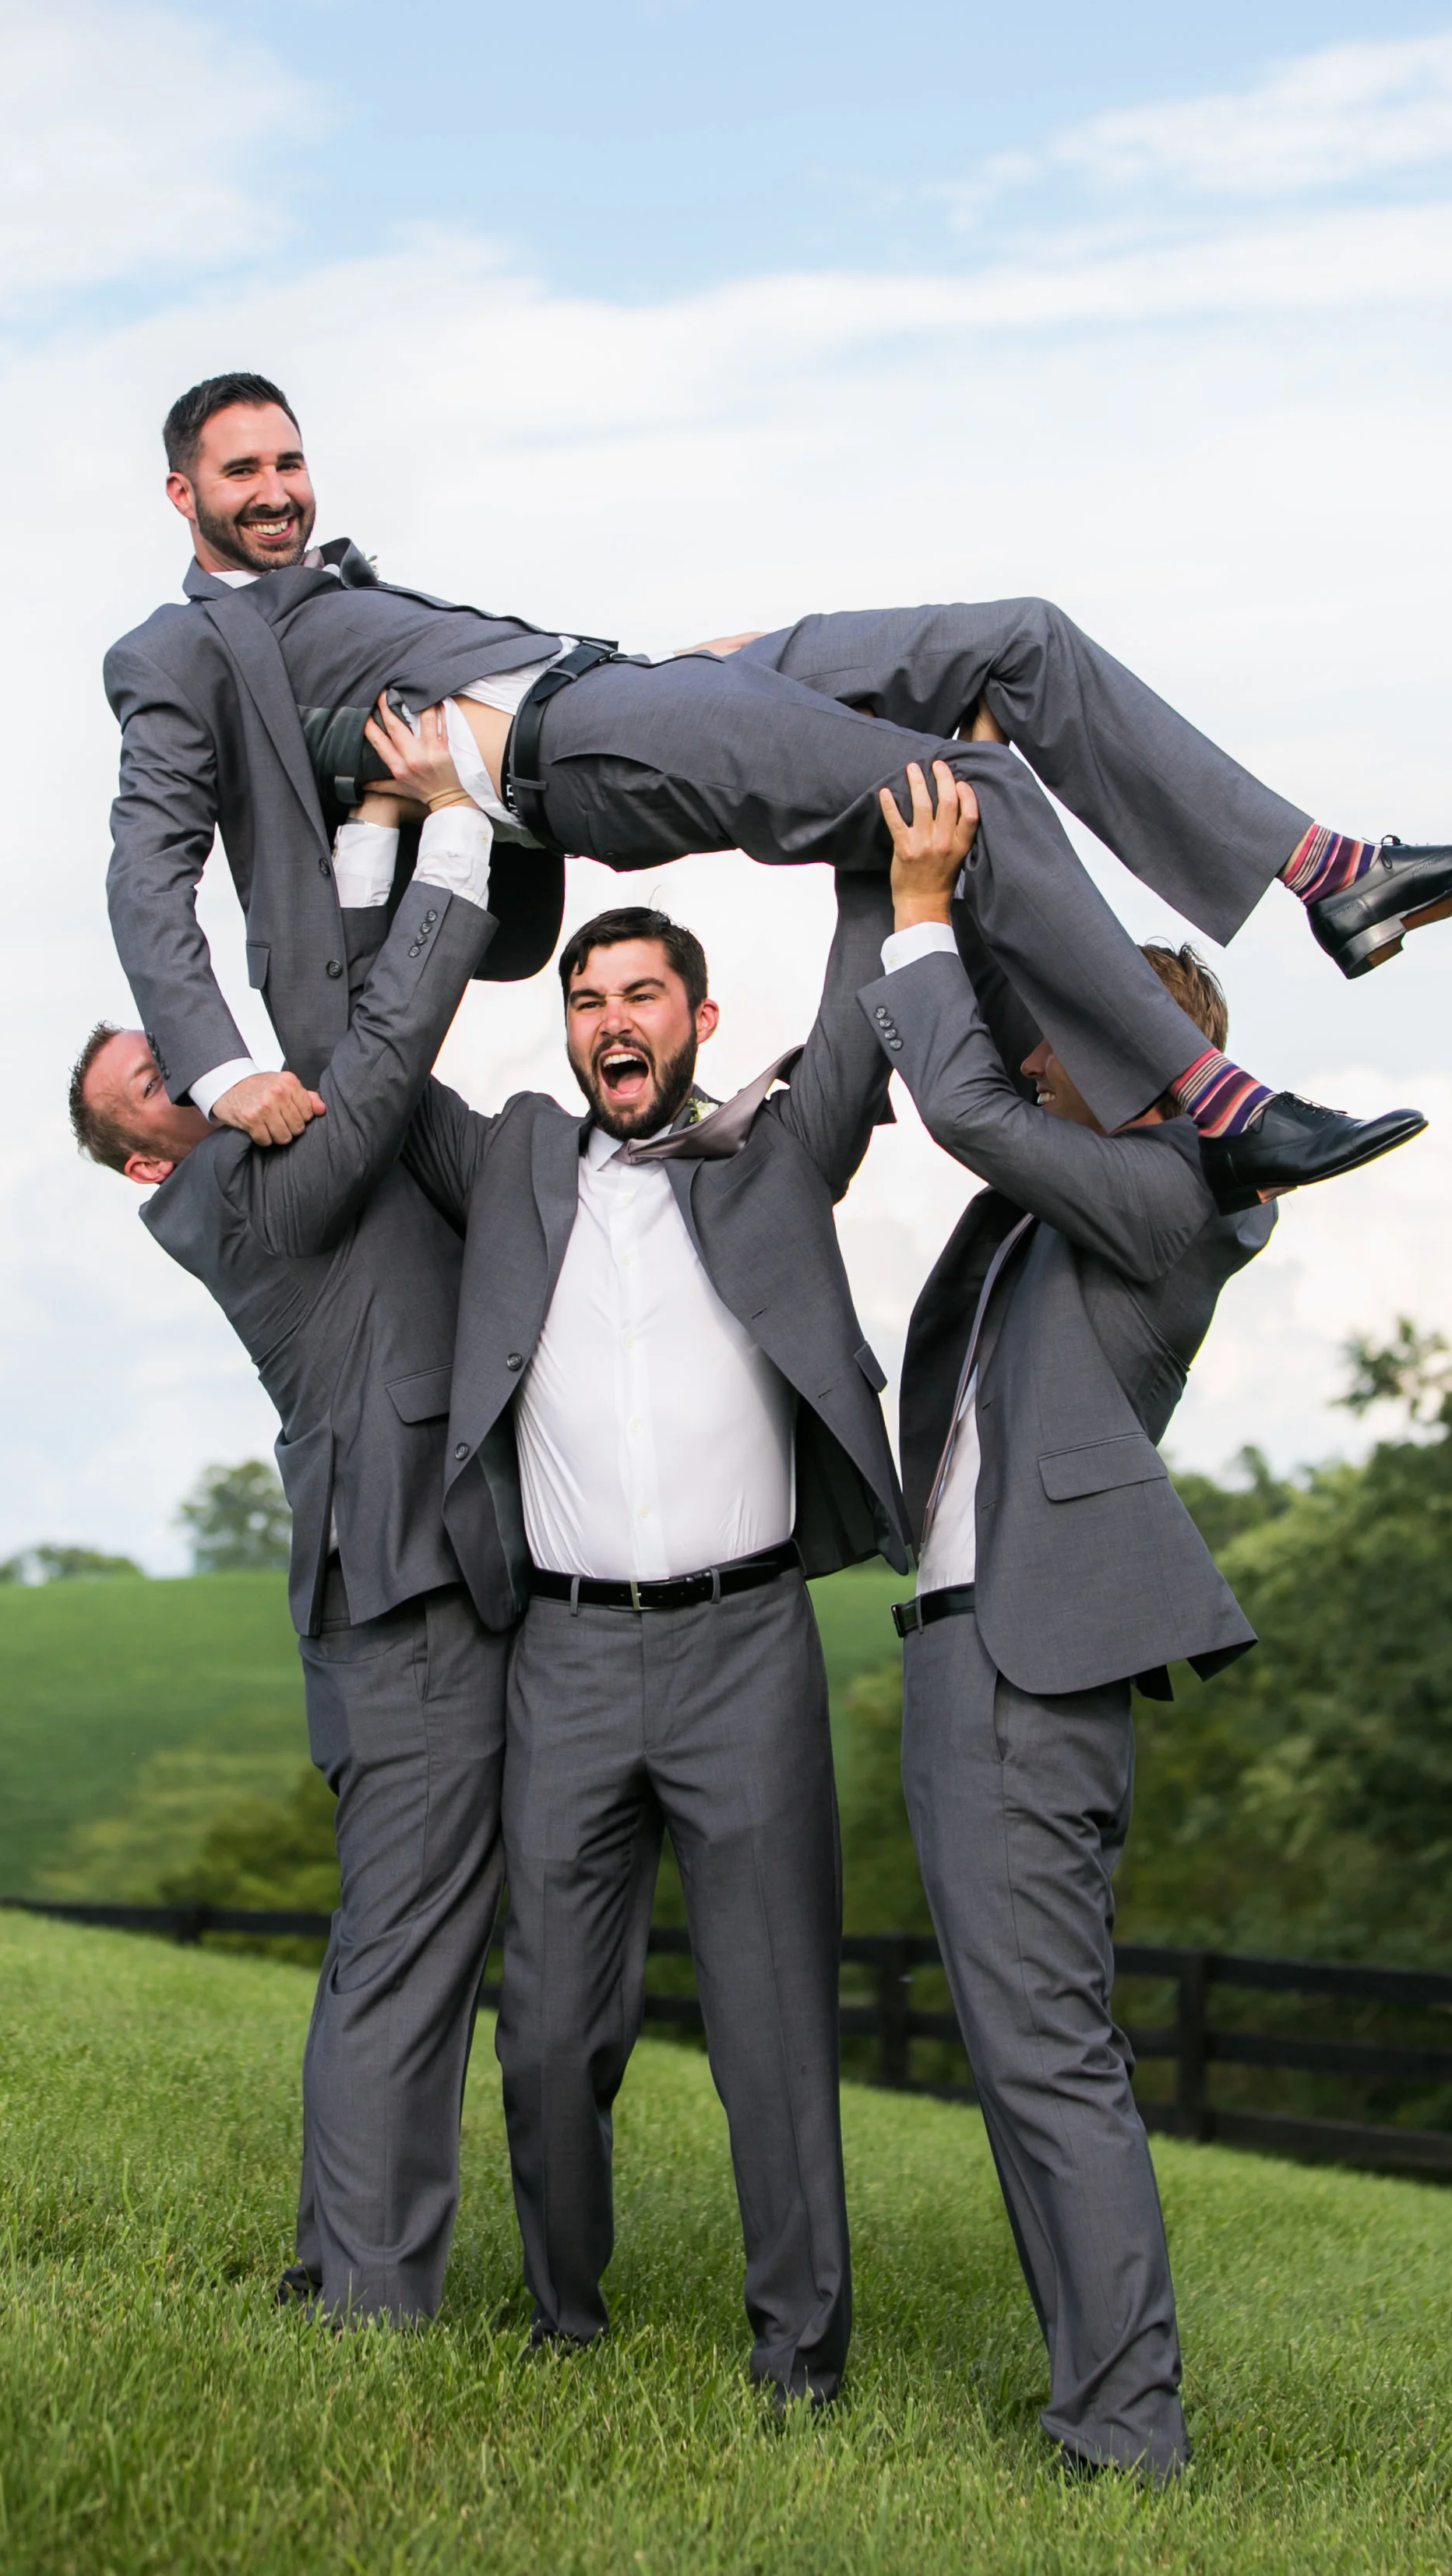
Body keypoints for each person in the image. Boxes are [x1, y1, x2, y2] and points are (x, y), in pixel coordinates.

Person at [105, 373, 1452, 1209]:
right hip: (586, 749)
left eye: (291, 458)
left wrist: (691, 670)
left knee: (1015, 639)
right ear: (184, 494)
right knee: (959, 784)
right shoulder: (177, 654)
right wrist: (226, 1064)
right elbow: (149, 872)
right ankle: (1204, 1100)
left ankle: (1332, 873)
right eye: (244, 471)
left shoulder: (340, 579)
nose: (279, 488)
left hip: (641, 678)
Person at [396, 865, 905, 2405]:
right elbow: (367, 1038)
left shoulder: (774, 1154)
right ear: (562, 1028)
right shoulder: (501, 1167)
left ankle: (799, 2361)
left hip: (743, 1650)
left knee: (769, 2030)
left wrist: (894, 865)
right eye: (585, 999)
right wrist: (402, 857)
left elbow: (860, 1015)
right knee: (546, 2028)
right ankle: (564, 2322)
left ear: (695, 1021)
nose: (611, 1022)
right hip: (559, 1659)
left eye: (640, 998)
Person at [856, 756, 1282, 2481]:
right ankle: (1098, 2404)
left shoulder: (1160, 1198)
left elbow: (963, 1103)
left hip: (1028, 1676)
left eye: (1055, 1027)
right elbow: (975, 1122)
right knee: (1020, 2056)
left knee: (1049, 2061)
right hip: (968, 1659)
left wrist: (914, 915)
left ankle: (1125, 2434)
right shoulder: (1065, 1212)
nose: (1029, 1049)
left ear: (1120, 1059)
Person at [69, 705, 511, 2327]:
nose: (180, 1060)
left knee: (386, 1949)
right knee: (405, 1956)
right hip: (402, 1600)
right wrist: (450, 822)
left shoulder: (252, 1144)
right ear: (140, 1160)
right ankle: (372, 2304)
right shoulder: (238, 1198)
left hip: (403, 1592)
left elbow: (316, 1035)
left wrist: (366, 831)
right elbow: (375, 1064)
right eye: (151, 1079)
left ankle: (340, 2268)